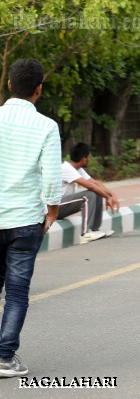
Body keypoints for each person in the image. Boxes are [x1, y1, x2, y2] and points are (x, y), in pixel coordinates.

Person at [0, 59, 62, 377]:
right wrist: (51, 212)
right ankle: (5, 357)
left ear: (10, 84)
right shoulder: (46, 127)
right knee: (17, 292)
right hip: (25, 220)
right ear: (39, 89)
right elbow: (51, 178)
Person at [57, 142, 118, 242]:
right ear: (84, 159)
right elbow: (89, 186)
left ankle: (94, 230)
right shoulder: (66, 168)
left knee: (96, 193)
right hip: (53, 208)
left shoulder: (77, 169)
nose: (90, 159)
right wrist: (107, 197)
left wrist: (112, 195)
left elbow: (95, 183)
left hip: (63, 204)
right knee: (89, 194)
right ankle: (85, 233)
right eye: (89, 157)